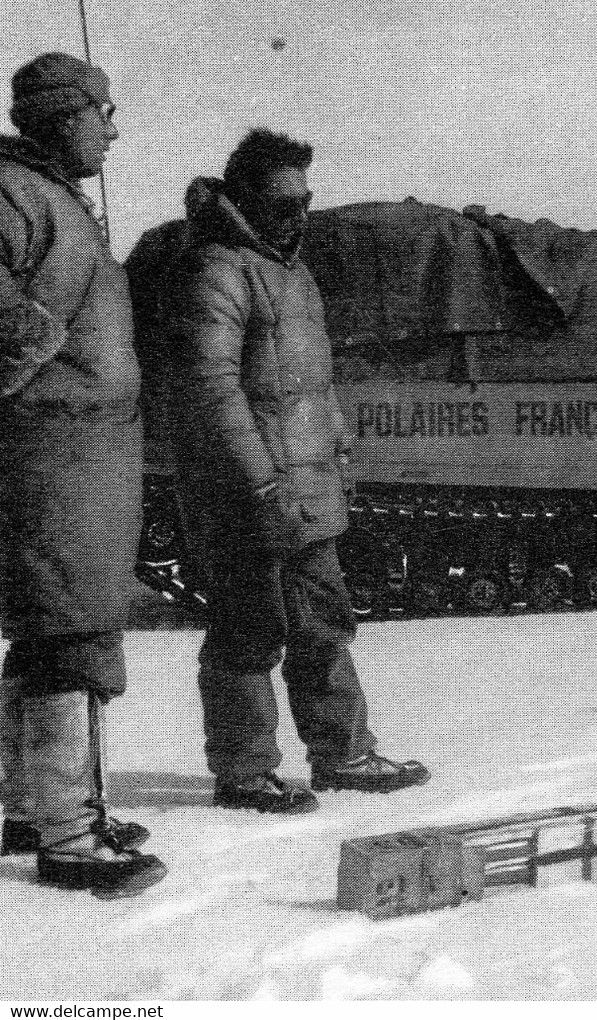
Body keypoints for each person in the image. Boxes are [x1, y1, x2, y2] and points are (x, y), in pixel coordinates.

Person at [166, 128, 428, 812]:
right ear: (245, 198)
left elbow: (314, 382)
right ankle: (245, 770)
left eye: (305, 199)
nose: (299, 213)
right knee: (249, 629)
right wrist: (261, 484)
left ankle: (343, 754)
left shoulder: (293, 270)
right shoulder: (218, 270)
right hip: (245, 493)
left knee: (323, 623)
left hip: (306, 488)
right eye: (284, 202)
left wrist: (335, 437)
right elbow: (213, 391)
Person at [0, 53, 166, 897]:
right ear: (63, 115)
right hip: (50, 454)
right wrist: (39, 357)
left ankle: (25, 806)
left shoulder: (54, 198)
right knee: (71, 636)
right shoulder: (17, 194)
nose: (112, 126)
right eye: (103, 110)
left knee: (56, 630)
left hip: (82, 455)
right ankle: (69, 834)